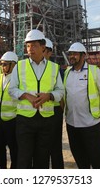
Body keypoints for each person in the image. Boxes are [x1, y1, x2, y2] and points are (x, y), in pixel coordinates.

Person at [9, 29, 64, 169]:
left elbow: (60, 91)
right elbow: (12, 89)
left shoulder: (54, 68)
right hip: (25, 120)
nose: (30, 49)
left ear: (43, 47)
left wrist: (49, 96)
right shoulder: (19, 66)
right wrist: (26, 95)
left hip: (46, 120)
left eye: (34, 45)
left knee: (42, 158)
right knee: (24, 158)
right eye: (28, 45)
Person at [63, 42, 100, 169]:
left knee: (97, 158)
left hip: (90, 124)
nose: (72, 56)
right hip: (72, 124)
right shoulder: (67, 72)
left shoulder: (94, 71)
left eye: (75, 54)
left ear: (83, 56)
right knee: (79, 157)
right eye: (70, 54)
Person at [0, 51, 19, 169]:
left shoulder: (18, 80)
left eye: (5, 64)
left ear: (13, 65)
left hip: (12, 121)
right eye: (2, 64)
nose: (3, 67)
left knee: (15, 150)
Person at [44, 37, 64, 169]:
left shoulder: (56, 69)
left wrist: (62, 111)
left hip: (54, 111)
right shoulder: (28, 68)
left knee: (55, 146)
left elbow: (61, 94)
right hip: (38, 111)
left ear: (50, 52)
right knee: (42, 146)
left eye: (44, 50)